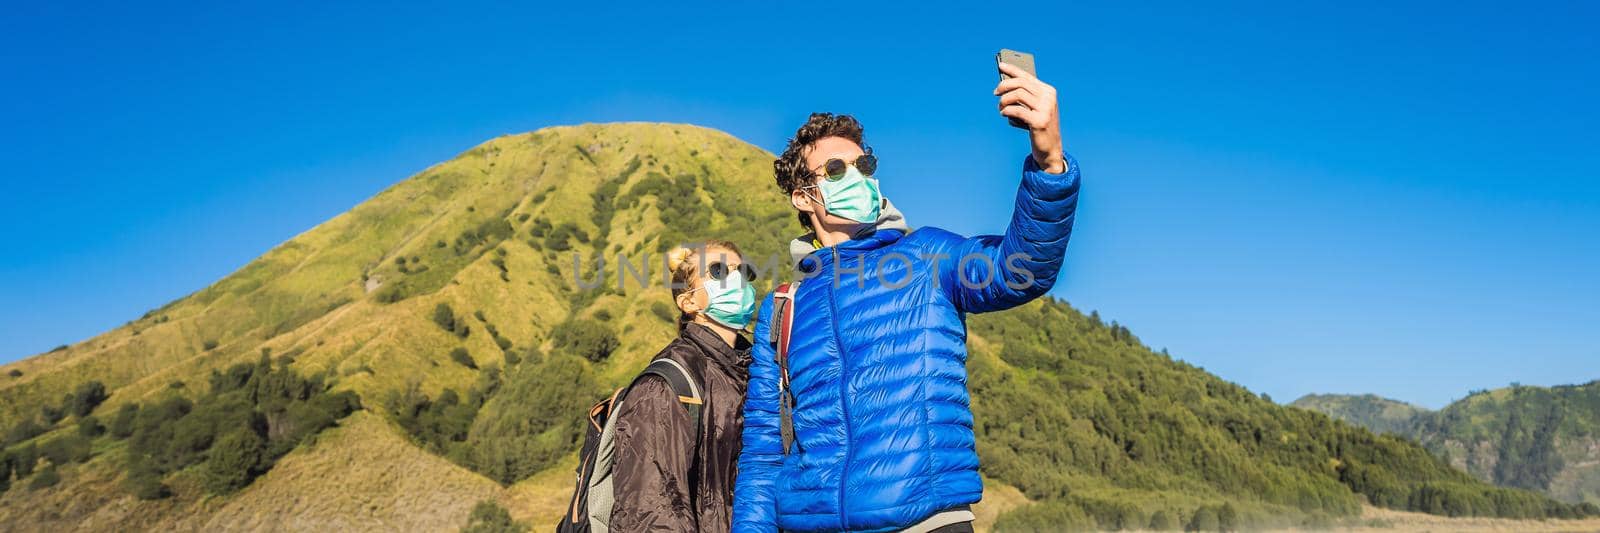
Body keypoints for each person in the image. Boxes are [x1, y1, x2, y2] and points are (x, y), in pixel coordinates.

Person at [732, 62, 1082, 532]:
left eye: (864, 165)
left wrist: (1049, 160)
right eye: (836, 169)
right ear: (803, 196)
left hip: (925, 523)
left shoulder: (925, 256)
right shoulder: (782, 306)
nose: (856, 176)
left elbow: (1021, 270)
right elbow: (762, 449)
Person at [608, 240, 757, 532]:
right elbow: (652, 511)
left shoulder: (757, 372)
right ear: (688, 302)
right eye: (718, 271)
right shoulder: (666, 385)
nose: (736, 279)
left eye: (743, 271)